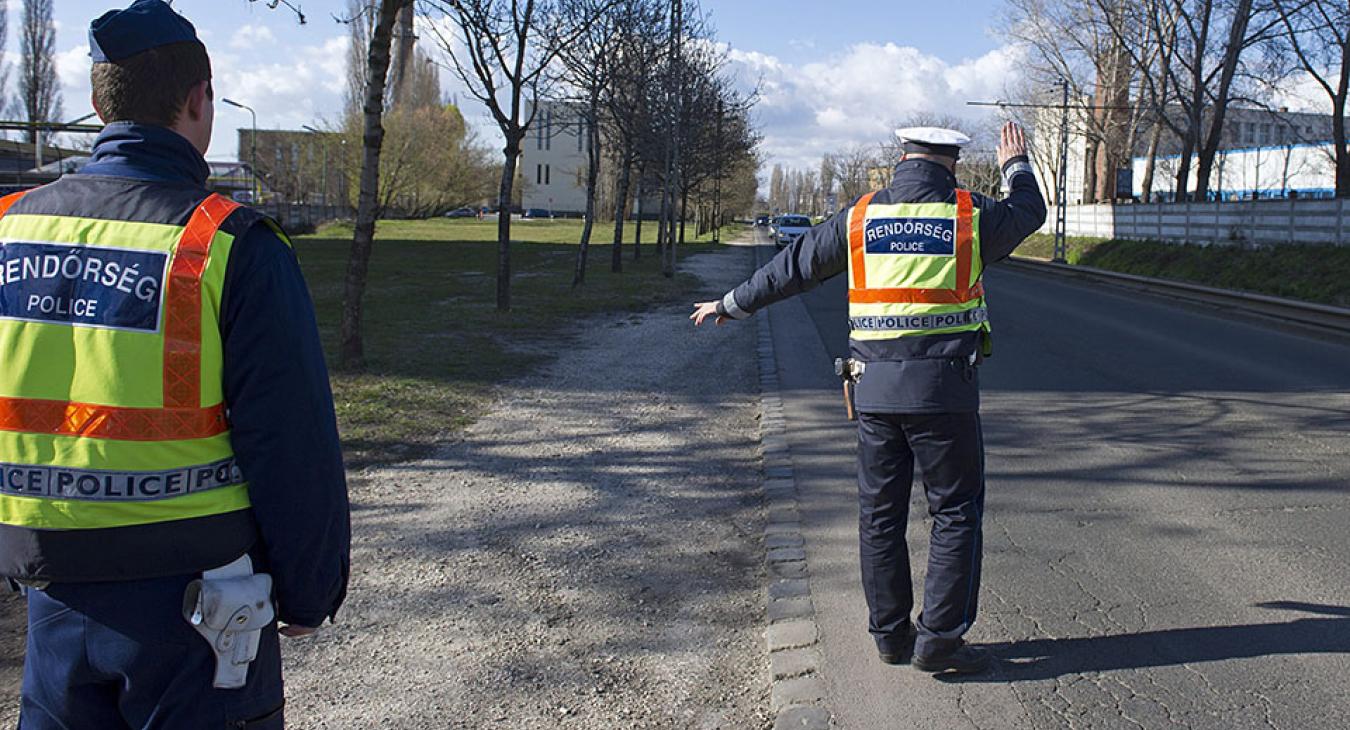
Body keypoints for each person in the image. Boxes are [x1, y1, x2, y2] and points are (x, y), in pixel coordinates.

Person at [0, 1, 350, 726]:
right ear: (199, 100)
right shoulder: (230, 246)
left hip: (48, 594)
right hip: (200, 612)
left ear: (98, 102)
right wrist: (310, 591)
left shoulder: (10, 229)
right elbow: (291, 442)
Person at [692, 123, 1046, 675]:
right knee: (953, 513)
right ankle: (940, 641)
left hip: (874, 393)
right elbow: (1028, 212)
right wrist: (1015, 164)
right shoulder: (969, 215)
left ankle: (889, 636)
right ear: (951, 162)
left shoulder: (860, 217)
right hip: (944, 394)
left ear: (902, 157)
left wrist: (731, 303)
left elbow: (795, 266)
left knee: (880, 515)